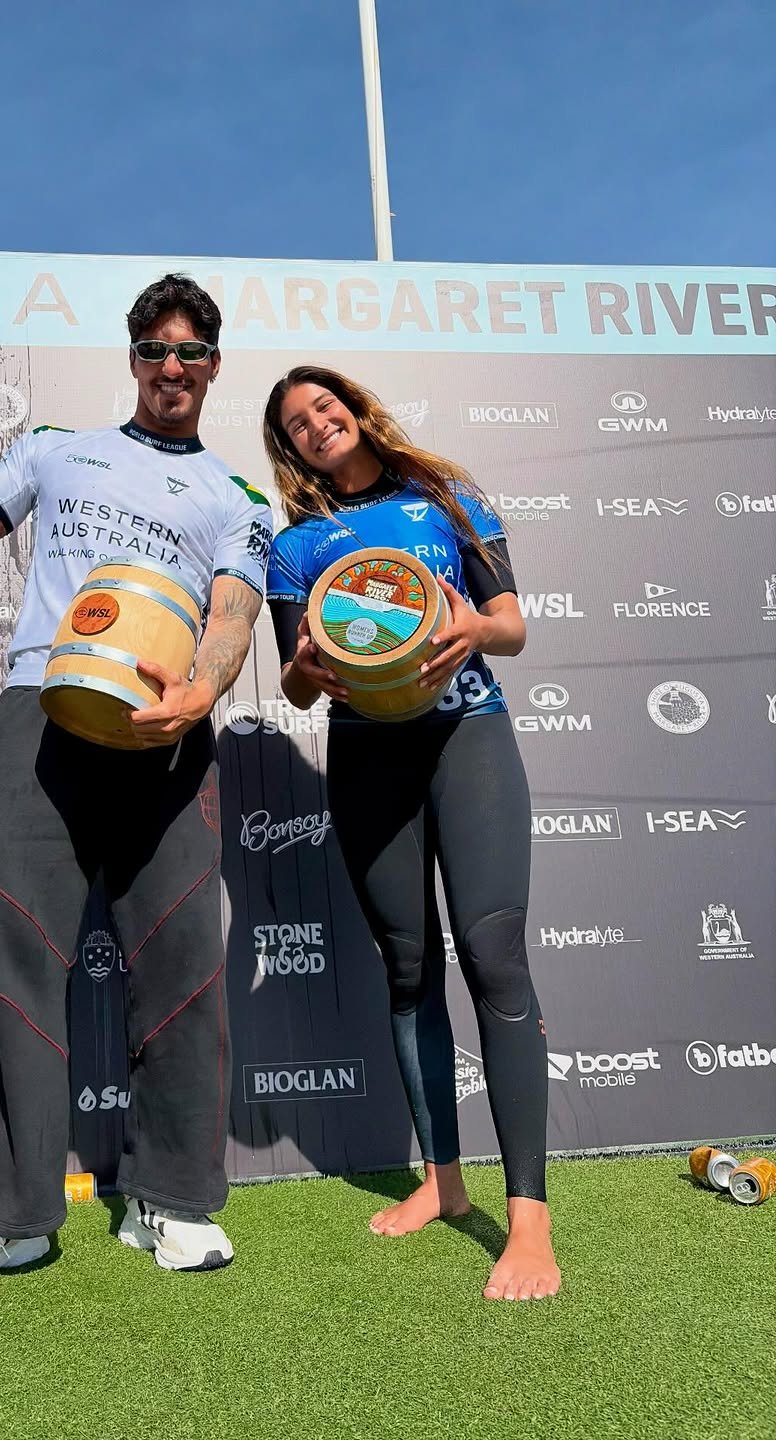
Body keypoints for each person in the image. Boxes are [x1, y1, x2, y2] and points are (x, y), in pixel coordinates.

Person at [0, 274, 272, 1298]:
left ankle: (173, 1201)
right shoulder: (57, 447)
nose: (171, 367)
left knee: (185, 965)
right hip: (42, 714)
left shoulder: (238, 497)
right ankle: (1, 1221)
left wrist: (199, 695)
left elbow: (233, 617)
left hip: (167, 730)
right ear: (133, 358)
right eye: (154, 349)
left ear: (213, 365)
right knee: (15, 972)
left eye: (189, 352)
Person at [262, 366, 560, 1302]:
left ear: (353, 408)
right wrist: (306, 665)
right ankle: (443, 1181)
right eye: (296, 425)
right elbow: (297, 684)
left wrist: (473, 628)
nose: (317, 425)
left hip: (469, 735)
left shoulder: (446, 495)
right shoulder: (295, 547)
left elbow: (511, 625)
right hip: (367, 755)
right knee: (406, 966)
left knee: (494, 956)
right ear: (289, 448)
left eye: (325, 407)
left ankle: (528, 1220)